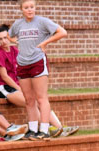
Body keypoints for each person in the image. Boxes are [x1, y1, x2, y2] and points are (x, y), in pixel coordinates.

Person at [0, 24, 77, 138]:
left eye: (5, 38)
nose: (3, 41)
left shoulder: (15, 50)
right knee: (32, 102)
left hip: (18, 85)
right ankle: (51, 128)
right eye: (0, 39)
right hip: (6, 87)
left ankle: (59, 128)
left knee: (40, 101)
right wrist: (20, 89)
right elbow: (5, 77)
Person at [9, 0, 67, 140]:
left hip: (37, 62)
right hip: (22, 64)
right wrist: (17, 42)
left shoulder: (42, 22)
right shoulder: (18, 24)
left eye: (32, 7)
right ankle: (33, 129)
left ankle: (44, 130)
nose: (29, 10)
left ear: (35, 8)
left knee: (41, 98)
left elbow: (62, 32)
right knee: (29, 100)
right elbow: (9, 36)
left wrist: (45, 43)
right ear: (21, 9)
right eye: (26, 7)